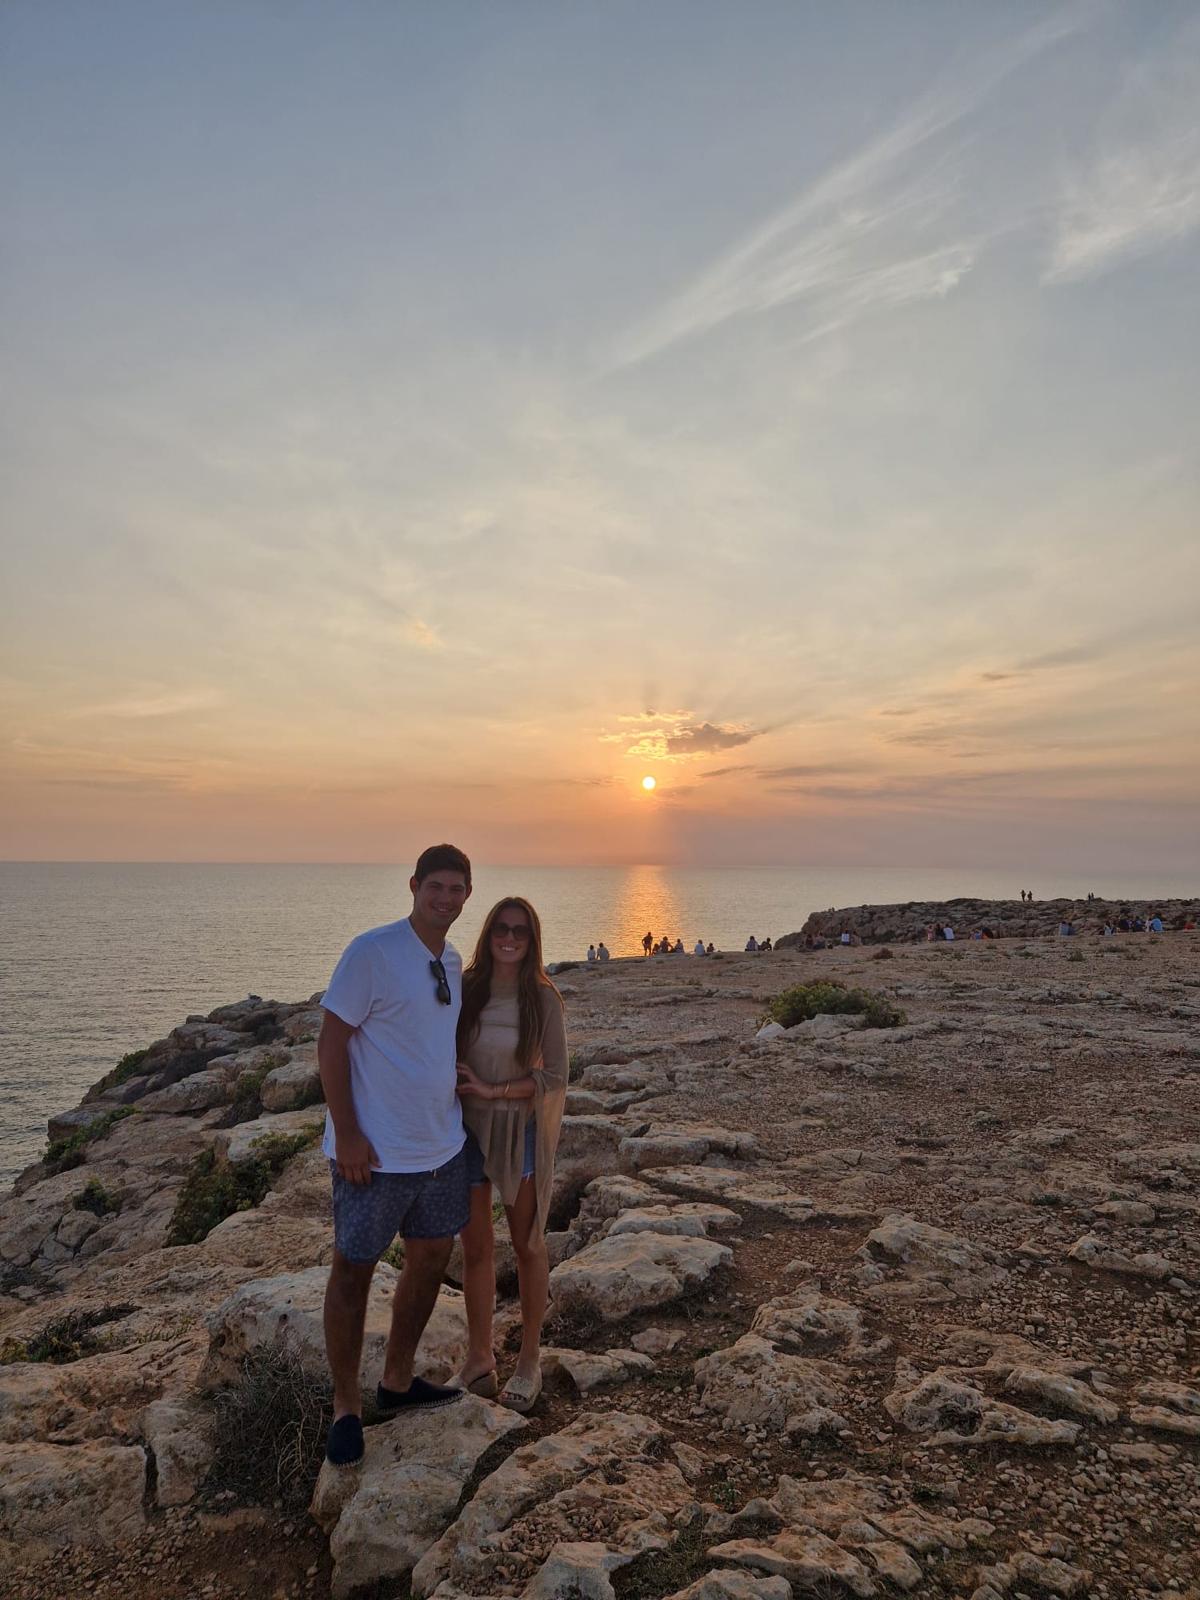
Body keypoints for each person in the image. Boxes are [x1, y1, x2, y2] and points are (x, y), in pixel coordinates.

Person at [318, 843, 474, 1467]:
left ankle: (398, 1380)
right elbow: (332, 1044)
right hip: (376, 1155)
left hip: (441, 1146)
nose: (445, 898)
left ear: (467, 895)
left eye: (456, 889)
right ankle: (346, 1406)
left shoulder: (452, 960)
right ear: (413, 886)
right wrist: (348, 1133)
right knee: (353, 1270)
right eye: (435, 886)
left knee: (430, 1260)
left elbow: (427, 1035)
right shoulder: (373, 952)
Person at [452, 897, 568, 1414]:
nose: (509, 937)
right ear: (488, 932)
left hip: (518, 1130)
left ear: (532, 939)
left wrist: (493, 1089)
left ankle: (529, 1360)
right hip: (465, 1131)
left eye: (520, 930)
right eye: (501, 927)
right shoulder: (467, 988)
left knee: (526, 1243)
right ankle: (480, 1360)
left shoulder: (542, 998)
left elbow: (556, 1076)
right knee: (475, 1248)